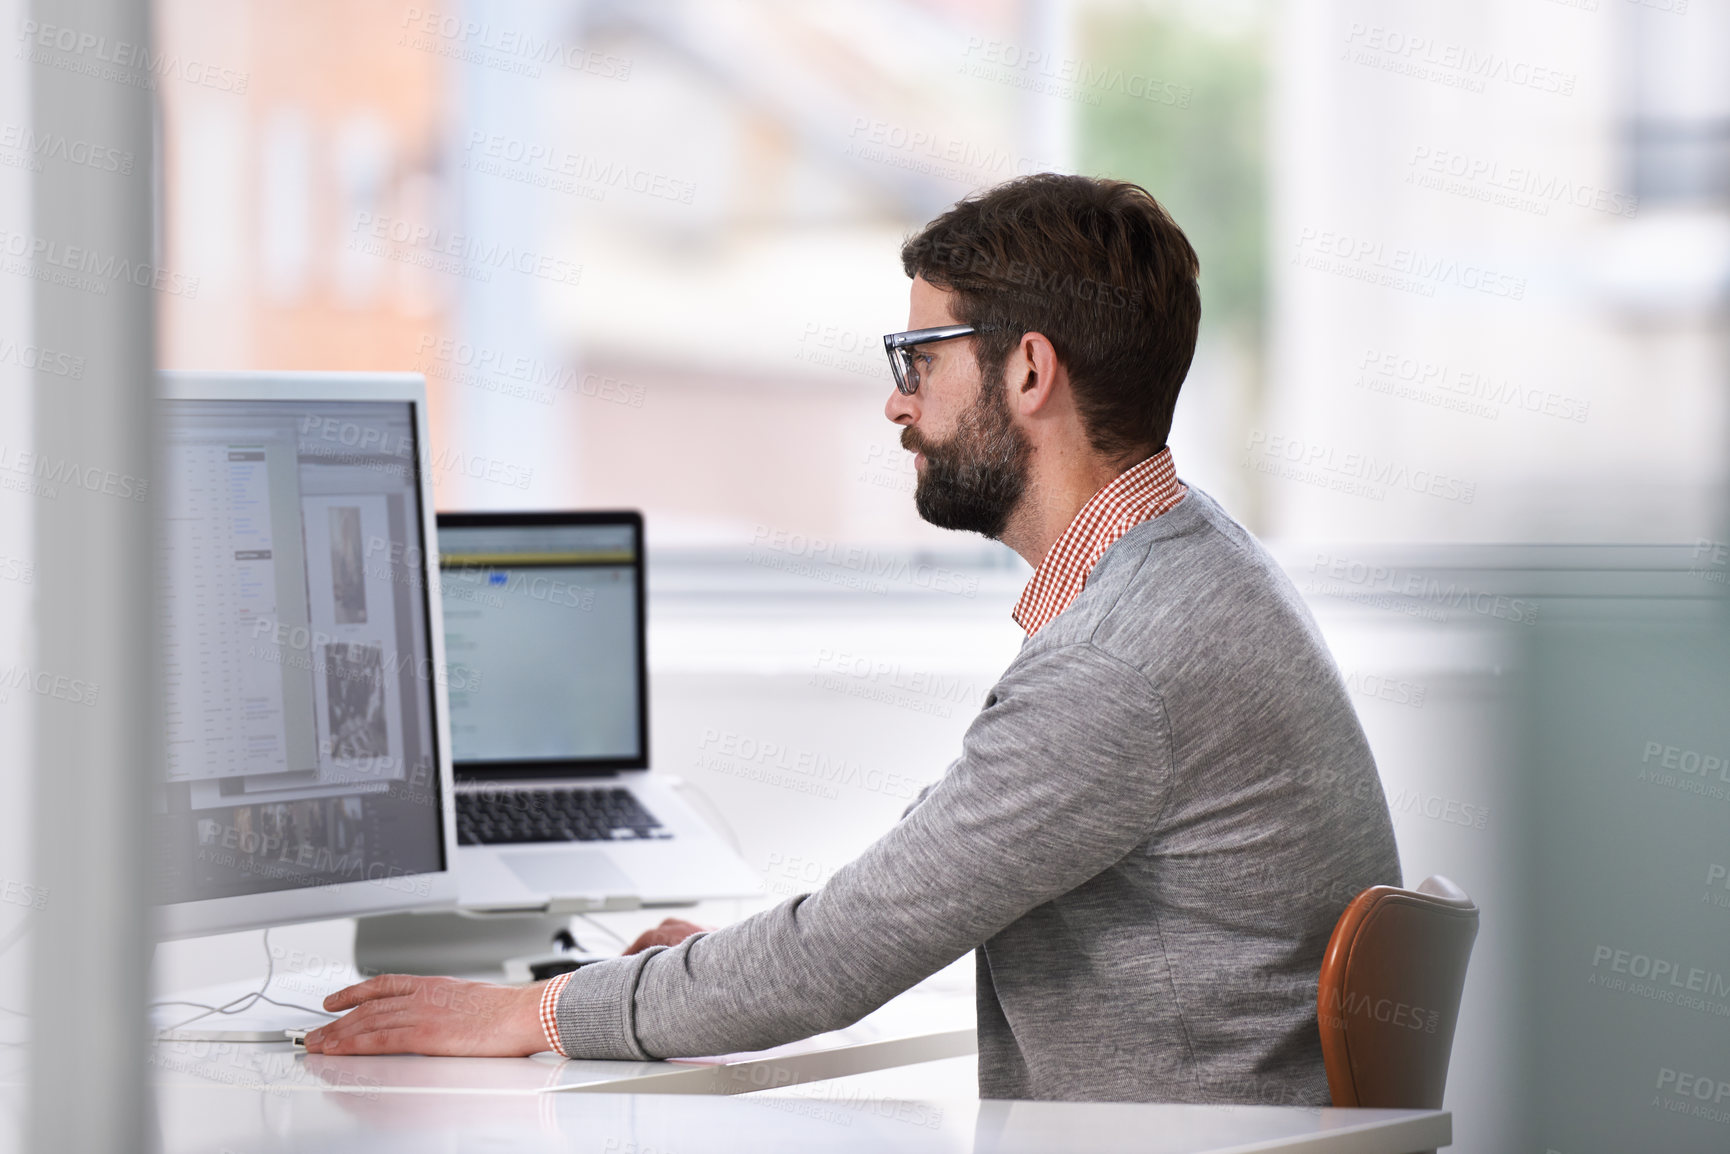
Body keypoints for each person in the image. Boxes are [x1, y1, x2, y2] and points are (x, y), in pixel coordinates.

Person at [305, 174, 1400, 1105]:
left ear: (1026, 371)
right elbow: (898, 899)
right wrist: (718, 966)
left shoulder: (1120, 661)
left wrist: (528, 1010)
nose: (895, 403)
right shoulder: (1194, 568)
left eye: (918, 356)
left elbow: (836, 959)